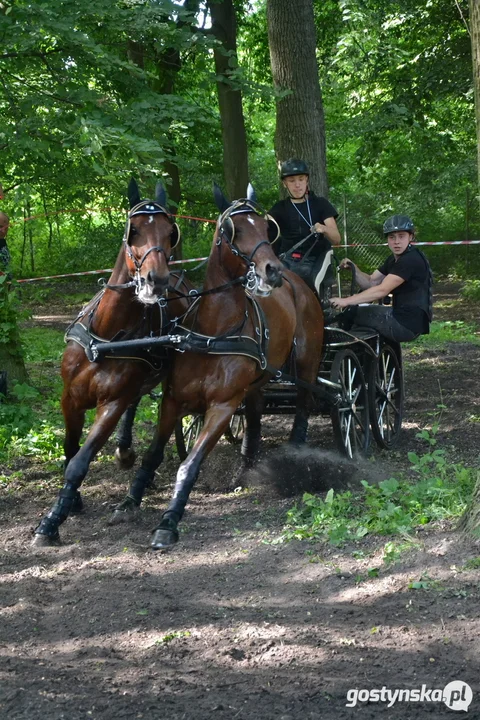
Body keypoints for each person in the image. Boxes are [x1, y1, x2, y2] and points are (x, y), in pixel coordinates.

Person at [330, 214, 433, 342]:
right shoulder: (394, 259)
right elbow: (371, 282)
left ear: (410, 237)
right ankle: (364, 353)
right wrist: (354, 268)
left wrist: (346, 301)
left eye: (401, 236)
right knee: (354, 311)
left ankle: (351, 351)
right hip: (401, 317)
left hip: (406, 324)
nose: (396, 242)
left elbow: (382, 290)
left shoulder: (410, 260)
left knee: (351, 313)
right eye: (392, 237)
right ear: (387, 239)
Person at [268, 159, 341, 301]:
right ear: (285, 184)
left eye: (301, 179)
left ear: (306, 180)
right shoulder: (279, 208)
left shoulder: (321, 204)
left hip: (316, 258)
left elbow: (336, 238)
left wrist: (323, 228)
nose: (297, 185)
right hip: (288, 259)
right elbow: (262, 227)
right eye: (291, 180)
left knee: (306, 279)